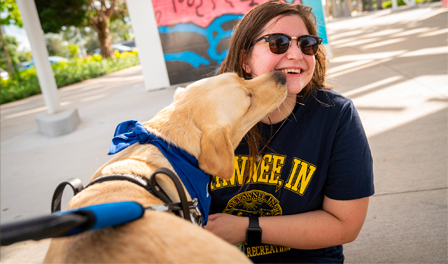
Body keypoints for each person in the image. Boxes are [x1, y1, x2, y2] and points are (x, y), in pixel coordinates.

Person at [204, 1, 374, 263]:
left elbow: (345, 224)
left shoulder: (336, 116)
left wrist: (247, 229)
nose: (296, 54)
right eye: (278, 42)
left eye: (306, 44)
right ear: (245, 59)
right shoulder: (208, 116)